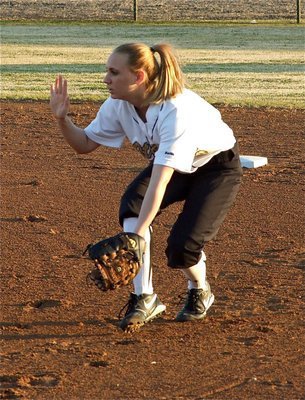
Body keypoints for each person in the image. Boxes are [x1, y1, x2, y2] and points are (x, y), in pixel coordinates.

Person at [50, 42, 242, 332]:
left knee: (181, 248)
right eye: (107, 71)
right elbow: (85, 144)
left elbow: (161, 180)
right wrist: (62, 119)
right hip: (175, 164)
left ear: (138, 77)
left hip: (216, 168)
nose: (106, 79)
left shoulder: (176, 113)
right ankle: (144, 297)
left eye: (114, 72)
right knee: (133, 205)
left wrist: (136, 238)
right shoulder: (119, 105)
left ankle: (199, 288)